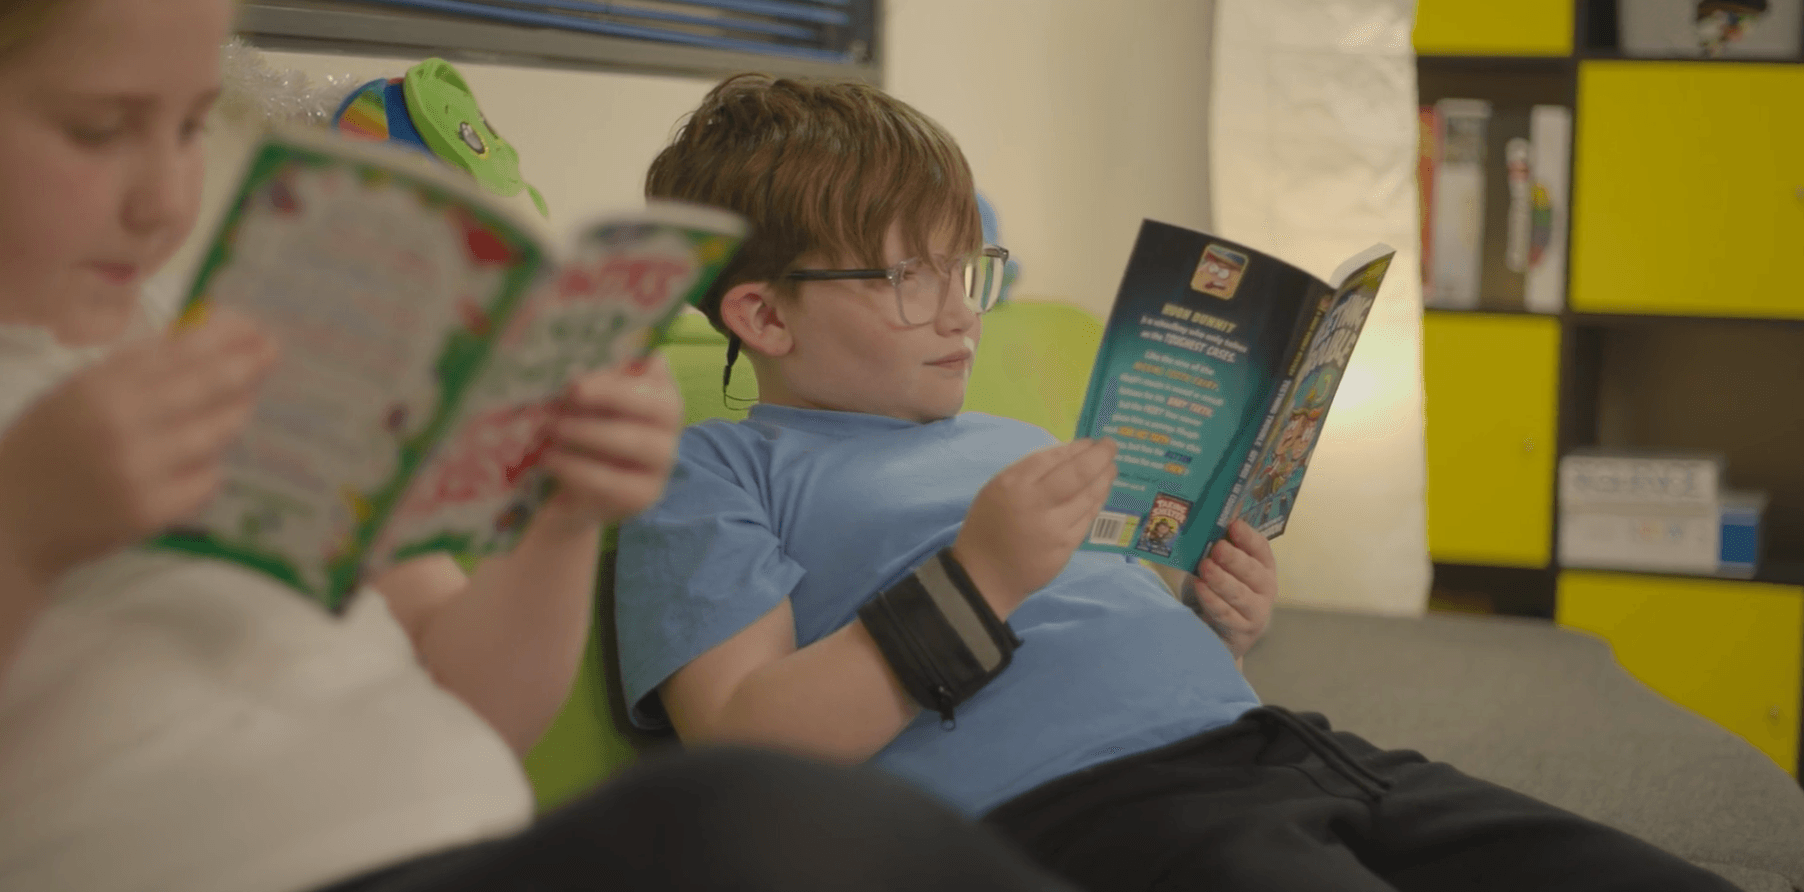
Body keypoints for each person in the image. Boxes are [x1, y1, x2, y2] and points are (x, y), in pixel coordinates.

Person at [0, 3, 1082, 891]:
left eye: (193, 126)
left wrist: (562, 519)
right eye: (99, 130)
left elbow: (477, 707)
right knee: (764, 818)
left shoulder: (225, 348)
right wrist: (30, 522)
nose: (166, 198)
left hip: (470, 839)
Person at [615, 72, 1741, 892]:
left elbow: (1089, 621)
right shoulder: (716, 469)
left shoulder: (1004, 429)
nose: (960, 309)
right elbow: (743, 746)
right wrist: (979, 574)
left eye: (966, 267)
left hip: (1299, 749)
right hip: (1099, 813)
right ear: (761, 312)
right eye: (907, 277)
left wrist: (1213, 620)